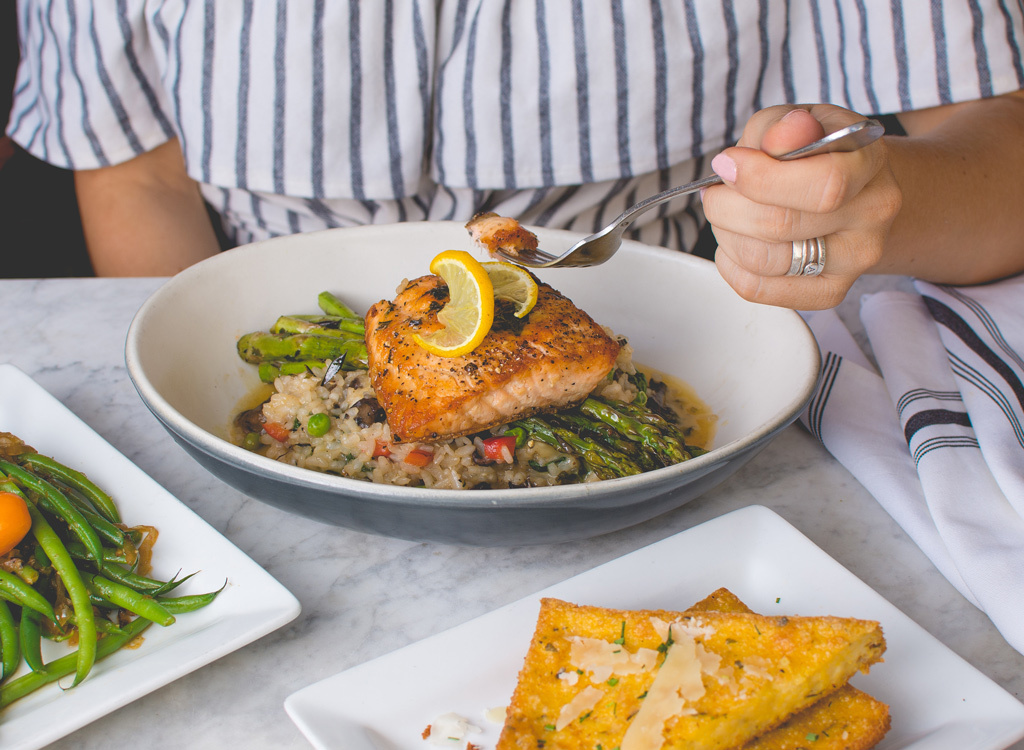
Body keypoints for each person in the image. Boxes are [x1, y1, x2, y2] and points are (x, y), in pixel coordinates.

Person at [7, 1, 1024, 310]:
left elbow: (999, 160)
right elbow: (137, 176)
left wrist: (864, 206)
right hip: (275, 344)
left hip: (684, 328)